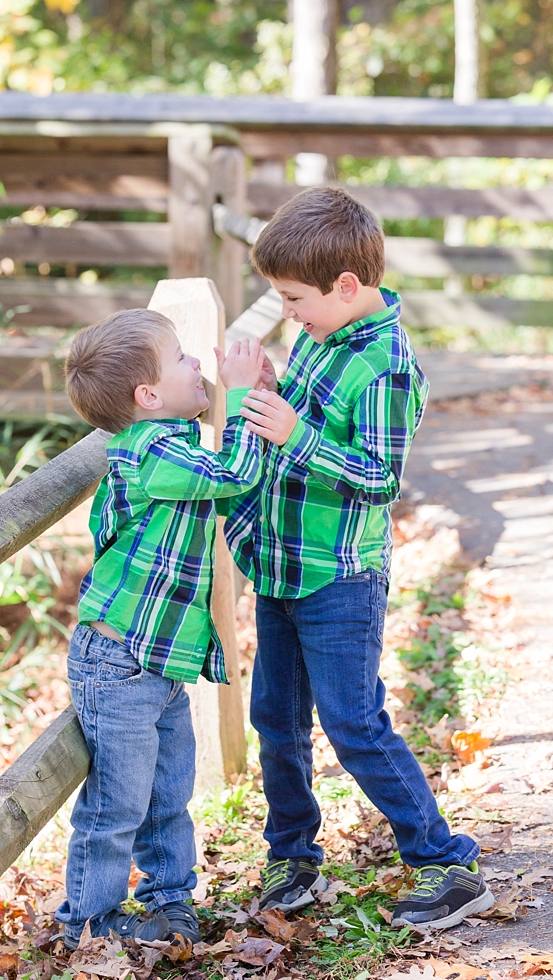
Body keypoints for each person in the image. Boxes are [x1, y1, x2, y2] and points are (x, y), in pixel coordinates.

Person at [221, 187, 494, 930]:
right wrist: (275, 393)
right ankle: (293, 856)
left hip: (339, 575)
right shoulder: (321, 334)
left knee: (354, 722)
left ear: (346, 286)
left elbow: (381, 477)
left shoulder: (387, 366)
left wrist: (293, 436)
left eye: (295, 298)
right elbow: (308, 417)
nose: (288, 313)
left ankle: (445, 861)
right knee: (275, 718)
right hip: (281, 560)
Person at [55, 309, 264, 949]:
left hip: (161, 660)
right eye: (181, 359)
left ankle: (170, 901)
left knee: (169, 791)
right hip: (118, 663)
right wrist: (240, 390)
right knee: (117, 803)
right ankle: (89, 922)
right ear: (148, 397)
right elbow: (235, 474)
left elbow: (226, 489)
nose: (197, 363)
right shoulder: (151, 451)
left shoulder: (173, 448)